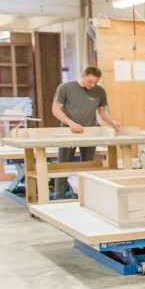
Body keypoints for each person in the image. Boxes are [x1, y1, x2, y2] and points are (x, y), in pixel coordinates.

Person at [51, 66, 121, 197]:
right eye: (90, 81)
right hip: (68, 133)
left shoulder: (99, 91)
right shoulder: (65, 88)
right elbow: (56, 109)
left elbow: (102, 112)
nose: (92, 85)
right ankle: (59, 195)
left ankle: (87, 196)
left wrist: (112, 122)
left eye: (95, 82)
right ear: (82, 76)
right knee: (63, 165)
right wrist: (71, 123)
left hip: (90, 132)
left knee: (88, 166)